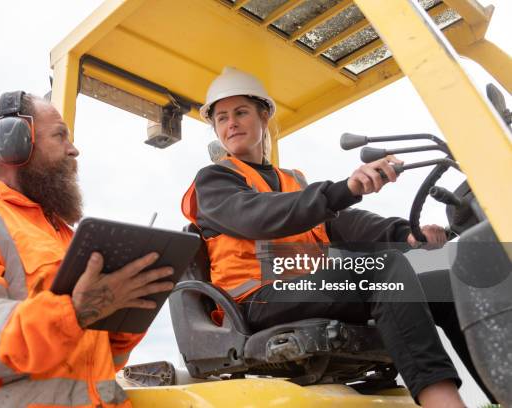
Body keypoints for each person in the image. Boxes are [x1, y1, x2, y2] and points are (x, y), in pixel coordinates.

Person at [181, 67, 496, 407]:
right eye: (222, 117)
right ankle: (443, 401)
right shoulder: (214, 181)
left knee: (448, 286)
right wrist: (343, 189)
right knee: (379, 270)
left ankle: (500, 390)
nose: (231, 124)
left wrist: (406, 234)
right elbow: (258, 216)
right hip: (255, 299)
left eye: (241, 112)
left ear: (264, 116)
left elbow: (343, 224)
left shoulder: (295, 182)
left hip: (308, 290)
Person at [0, 91, 174, 407]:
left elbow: (94, 362)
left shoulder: (65, 237)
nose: (73, 150)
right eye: (60, 136)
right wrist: (74, 311)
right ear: (13, 144)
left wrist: (126, 315)